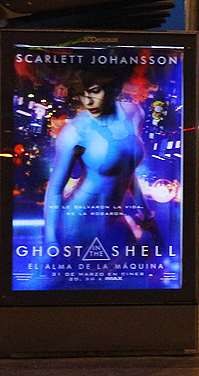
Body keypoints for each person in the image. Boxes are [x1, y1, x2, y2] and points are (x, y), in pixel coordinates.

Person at [43, 67, 160, 248]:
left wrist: (145, 212)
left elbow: (126, 171)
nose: (89, 101)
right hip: (79, 219)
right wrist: (50, 240)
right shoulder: (74, 133)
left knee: (141, 265)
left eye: (95, 92)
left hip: (114, 217)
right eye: (83, 95)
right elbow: (55, 188)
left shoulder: (134, 113)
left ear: (111, 89)